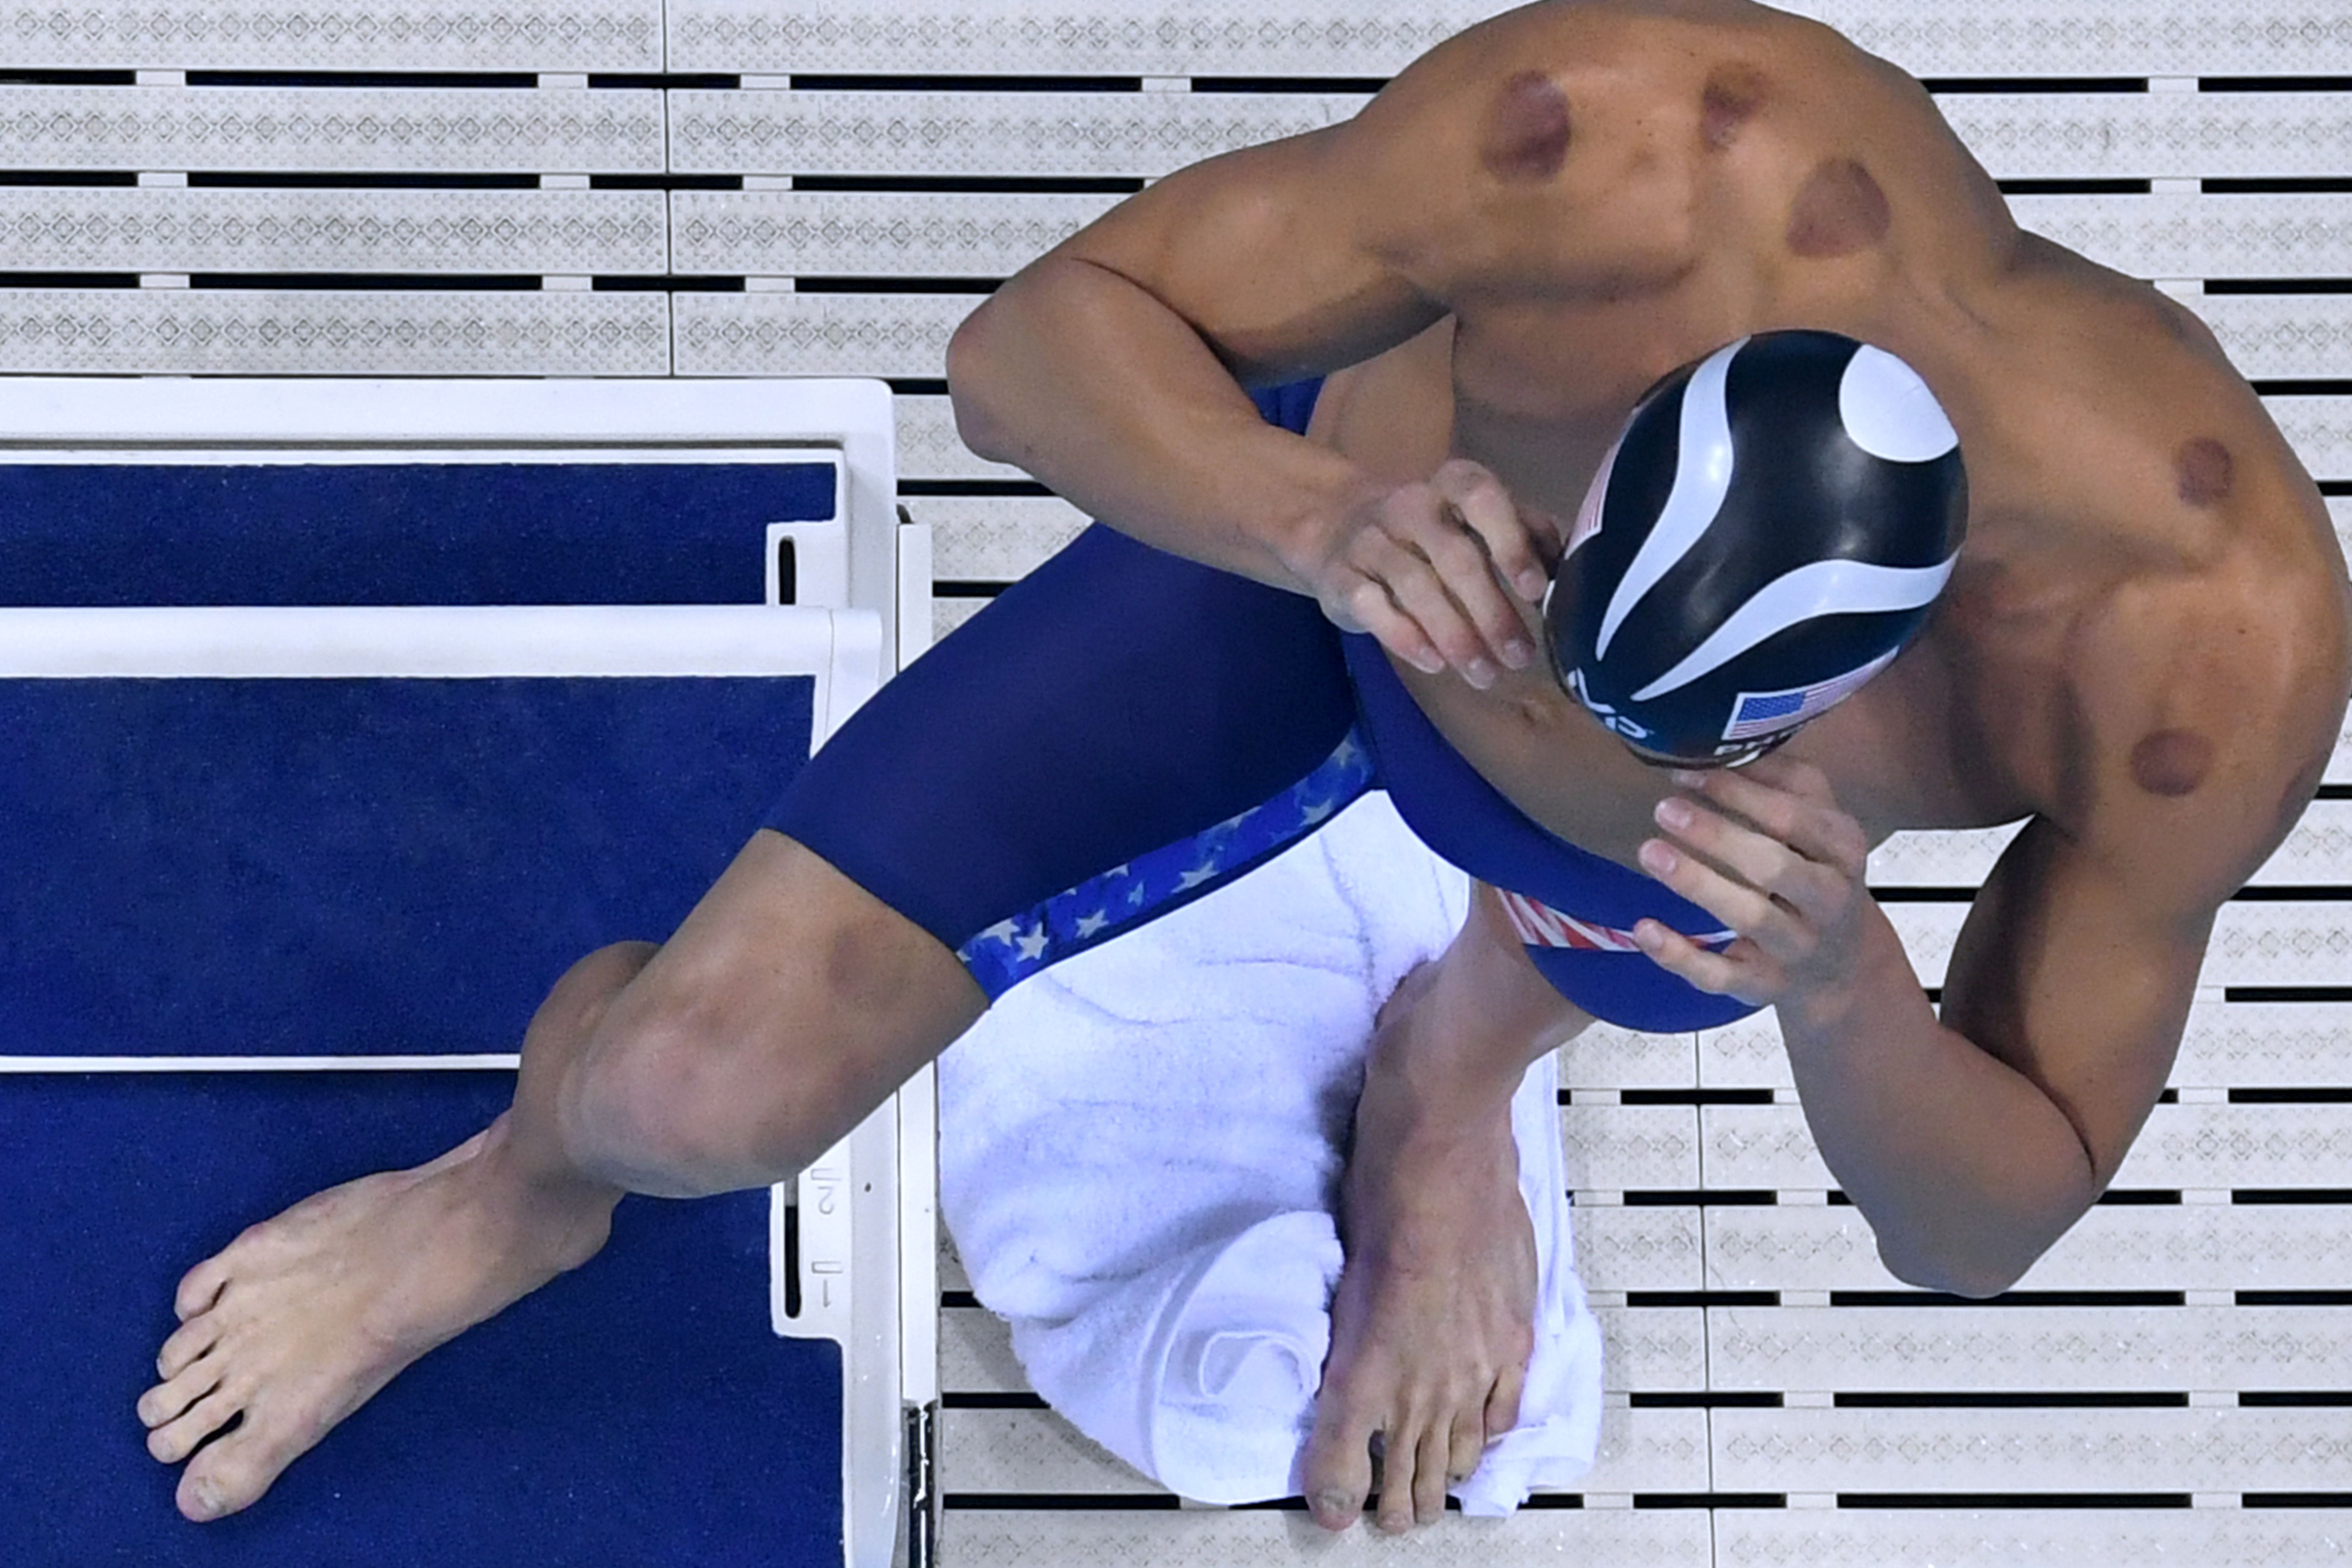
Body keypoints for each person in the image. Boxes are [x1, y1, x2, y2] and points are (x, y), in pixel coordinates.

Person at [137, 0, 2349, 1540]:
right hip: (1304, 589)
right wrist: (1316, 522)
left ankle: (1448, 1087)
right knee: (683, 1098)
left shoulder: (2195, 655)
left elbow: (1991, 1219)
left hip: (1691, 892)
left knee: (1583, 950)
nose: (1577, 680)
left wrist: (1848, 981)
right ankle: (514, 1191)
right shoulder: (1642, 149)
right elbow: (1030, 348)